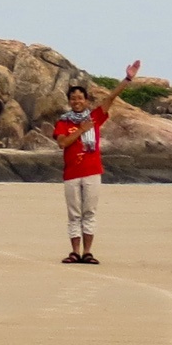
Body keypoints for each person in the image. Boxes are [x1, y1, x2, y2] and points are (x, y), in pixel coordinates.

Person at [56, 61, 141, 264]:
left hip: (92, 171)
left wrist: (128, 78)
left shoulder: (95, 117)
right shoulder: (63, 122)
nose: (77, 101)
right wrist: (81, 130)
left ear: (86, 101)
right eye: (73, 98)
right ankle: (75, 252)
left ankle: (88, 252)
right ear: (69, 101)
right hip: (71, 174)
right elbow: (63, 143)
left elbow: (110, 97)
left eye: (80, 98)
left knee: (89, 212)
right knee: (74, 214)